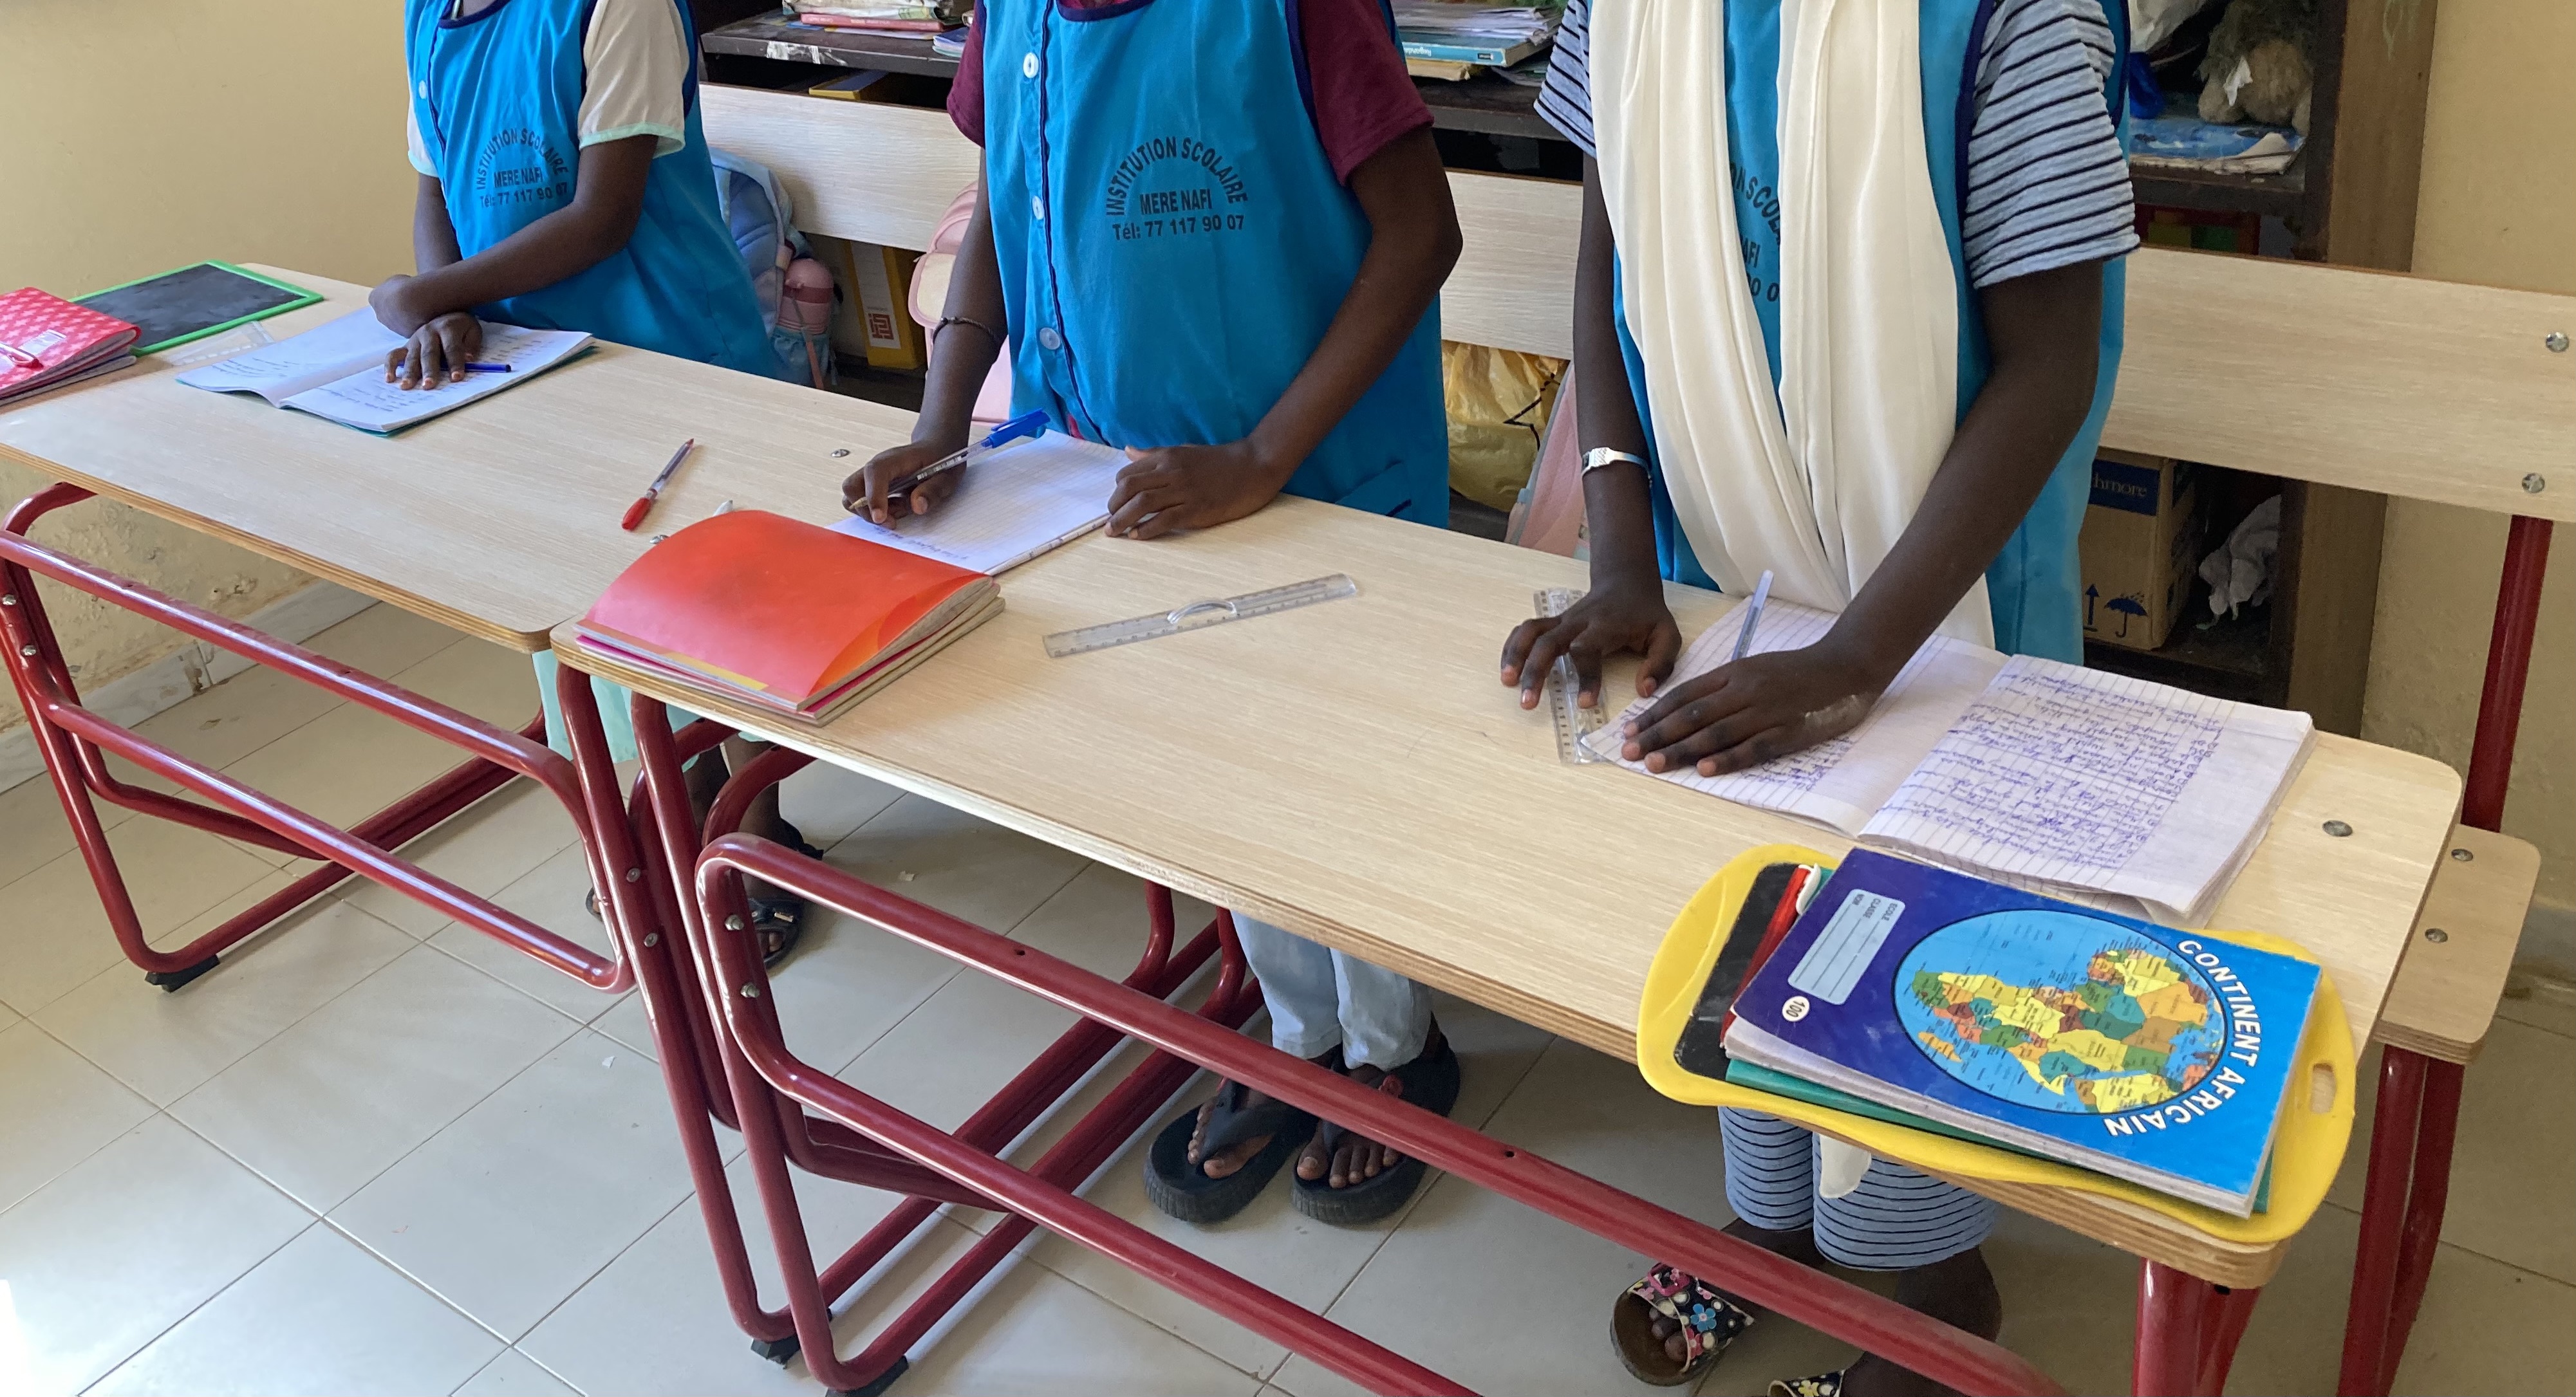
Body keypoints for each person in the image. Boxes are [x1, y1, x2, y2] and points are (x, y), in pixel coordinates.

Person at [1498, 0, 2137, 1391]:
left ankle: (1933, 1285)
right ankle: (1774, 1224)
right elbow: (1611, 275)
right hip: (1734, 577)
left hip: (1947, 615)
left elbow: (2050, 362)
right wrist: (1619, 558)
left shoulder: (2013, 18)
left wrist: (1855, 661)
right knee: (1748, 915)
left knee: (1921, 963)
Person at [843, 0, 1466, 1225]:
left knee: (1336, 782)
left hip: (1318, 489)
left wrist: (1263, 457)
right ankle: (1298, 1034)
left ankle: (1397, 1046)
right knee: (1221, 782)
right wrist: (942, 422)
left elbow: (1420, 232)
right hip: (1124, 494)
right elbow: (1003, 204)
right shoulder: (1015, 13)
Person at [384, 0, 814, 959]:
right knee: (590, 608)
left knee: (717, 621)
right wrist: (438, 309)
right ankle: (675, 805)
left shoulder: (616, 7)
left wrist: (426, 295)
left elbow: (602, 216)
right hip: (533, 369)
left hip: (670, 361)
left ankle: (757, 837)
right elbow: (435, 190)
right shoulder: (427, 17)